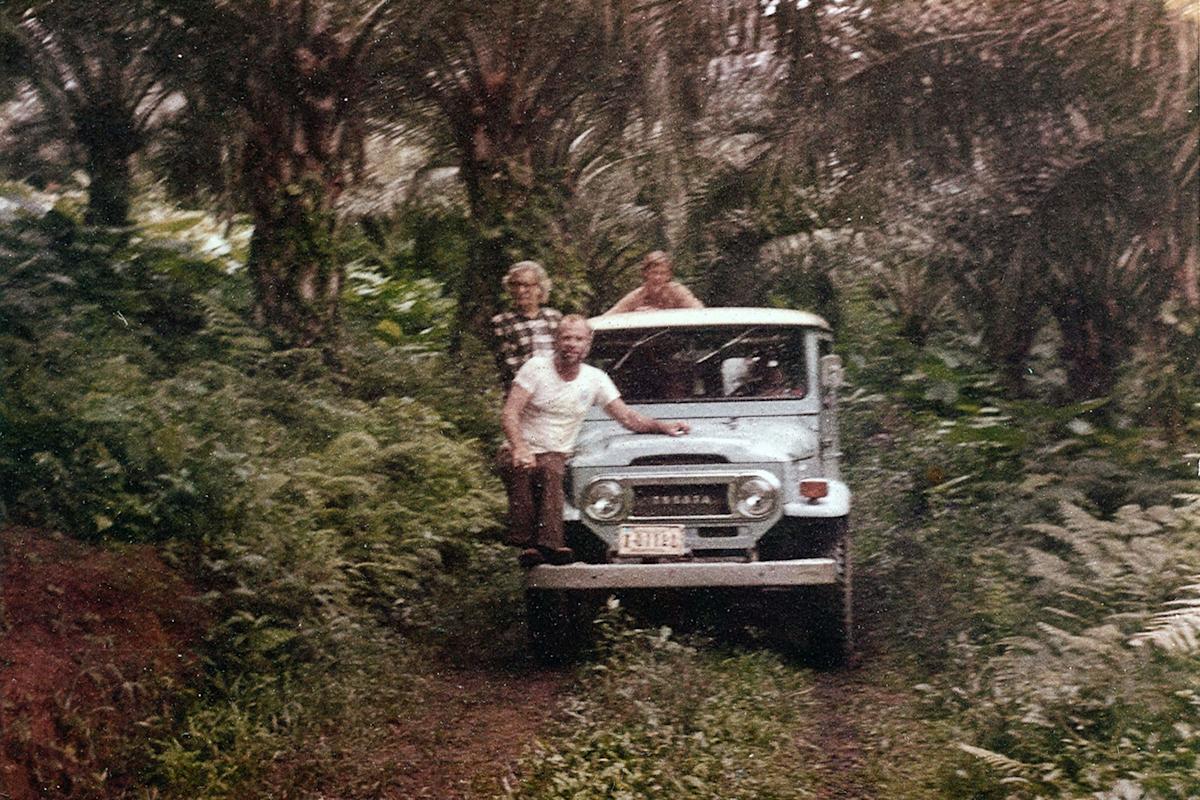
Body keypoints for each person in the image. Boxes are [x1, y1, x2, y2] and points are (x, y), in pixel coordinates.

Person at [500, 315, 691, 566]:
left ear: (587, 345)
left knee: (550, 468)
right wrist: (519, 447)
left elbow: (627, 417)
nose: (572, 344)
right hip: (518, 448)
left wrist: (661, 426)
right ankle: (529, 544)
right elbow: (510, 412)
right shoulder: (535, 368)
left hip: (555, 453)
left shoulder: (595, 379)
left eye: (578, 339)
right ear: (556, 341)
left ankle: (546, 547)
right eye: (566, 337)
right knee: (535, 469)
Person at [491, 261, 562, 392]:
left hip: (556, 390)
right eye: (515, 285)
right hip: (523, 394)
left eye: (526, 285)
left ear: (539, 288)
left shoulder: (554, 317)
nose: (520, 290)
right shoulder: (502, 322)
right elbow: (510, 365)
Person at [603, 251, 704, 315]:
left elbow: (701, 313)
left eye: (662, 273)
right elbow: (608, 317)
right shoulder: (637, 296)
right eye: (654, 273)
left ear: (669, 275)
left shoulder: (677, 292)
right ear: (645, 273)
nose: (657, 277)